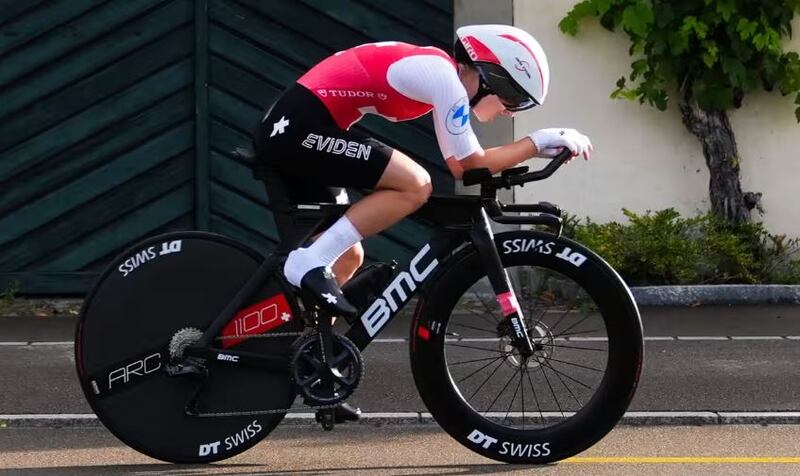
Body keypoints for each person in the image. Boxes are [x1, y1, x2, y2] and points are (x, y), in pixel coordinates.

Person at [253, 24, 592, 422]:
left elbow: (471, 160)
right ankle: (304, 264)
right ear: (489, 74)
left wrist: (531, 150)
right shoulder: (444, 77)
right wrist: (536, 142)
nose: (510, 109)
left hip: (304, 128)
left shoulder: (440, 76)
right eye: (514, 97)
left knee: (346, 258)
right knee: (415, 185)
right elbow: (467, 166)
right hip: (298, 130)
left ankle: (317, 371)